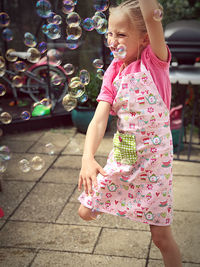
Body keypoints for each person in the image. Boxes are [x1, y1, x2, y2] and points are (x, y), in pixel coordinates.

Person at [78, 0, 182, 266]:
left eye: (121, 34)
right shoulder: (112, 72)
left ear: (145, 39)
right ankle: (123, 201)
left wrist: (149, 12)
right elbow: (99, 120)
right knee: (85, 210)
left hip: (155, 159)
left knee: (160, 237)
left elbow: (151, 15)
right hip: (124, 151)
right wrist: (87, 157)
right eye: (110, 33)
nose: (113, 40)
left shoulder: (154, 62)